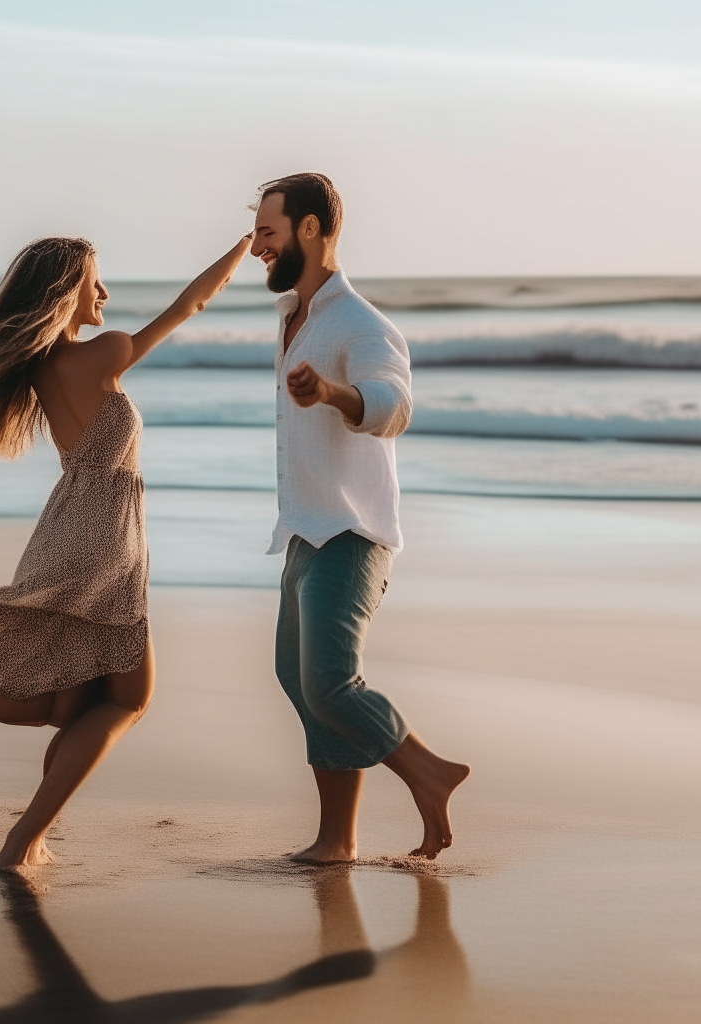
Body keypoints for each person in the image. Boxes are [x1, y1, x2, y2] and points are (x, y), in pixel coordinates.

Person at [0, 233, 251, 869]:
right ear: (65, 292)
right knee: (128, 700)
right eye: (95, 281)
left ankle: (23, 825)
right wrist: (241, 249)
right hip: (106, 543)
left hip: (61, 531)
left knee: (71, 706)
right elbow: (189, 306)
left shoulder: (36, 369)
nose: (104, 293)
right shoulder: (108, 354)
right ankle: (21, 840)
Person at [249, 172, 470, 861]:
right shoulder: (294, 318)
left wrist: (335, 394)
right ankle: (336, 839)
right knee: (299, 679)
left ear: (309, 229)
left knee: (331, 683)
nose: (256, 245)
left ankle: (429, 774)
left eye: (267, 231)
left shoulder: (362, 323)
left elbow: (394, 406)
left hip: (352, 533)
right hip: (305, 529)